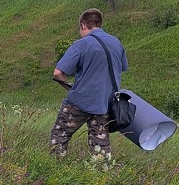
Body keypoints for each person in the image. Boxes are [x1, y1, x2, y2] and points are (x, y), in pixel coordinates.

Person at [50, 8, 128, 158]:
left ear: (83, 25)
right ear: (99, 24)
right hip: (105, 103)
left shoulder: (82, 44)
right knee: (100, 143)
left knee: (60, 134)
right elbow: (121, 68)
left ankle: (56, 166)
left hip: (80, 101)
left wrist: (69, 87)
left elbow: (58, 73)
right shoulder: (116, 43)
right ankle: (101, 173)